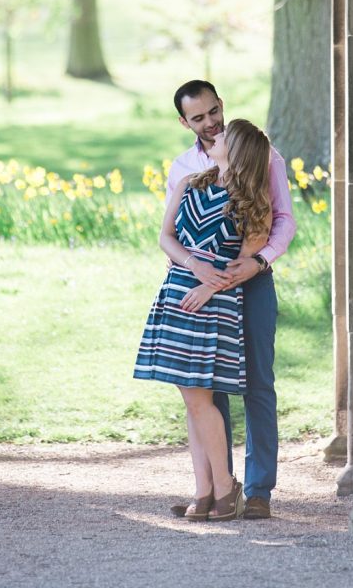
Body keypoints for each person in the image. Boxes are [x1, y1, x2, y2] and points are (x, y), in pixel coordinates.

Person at [165, 79, 296, 520]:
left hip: (251, 279)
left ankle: (259, 490)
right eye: (198, 117)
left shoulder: (262, 156)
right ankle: (221, 486)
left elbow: (282, 220)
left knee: (258, 381)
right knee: (207, 384)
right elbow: (173, 234)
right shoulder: (183, 167)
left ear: (221, 105)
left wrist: (259, 261)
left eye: (213, 112)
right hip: (199, 284)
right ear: (184, 122)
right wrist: (193, 268)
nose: (210, 122)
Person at [134, 119, 274, 521]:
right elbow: (166, 238)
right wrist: (193, 266)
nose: (215, 136)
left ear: (240, 151)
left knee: (200, 399)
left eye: (225, 136)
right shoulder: (189, 183)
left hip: (214, 303)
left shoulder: (254, 203)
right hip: (179, 291)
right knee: (192, 400)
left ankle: (224, 488)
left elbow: (244, 265)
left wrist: (209, 288)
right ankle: (206, 490)